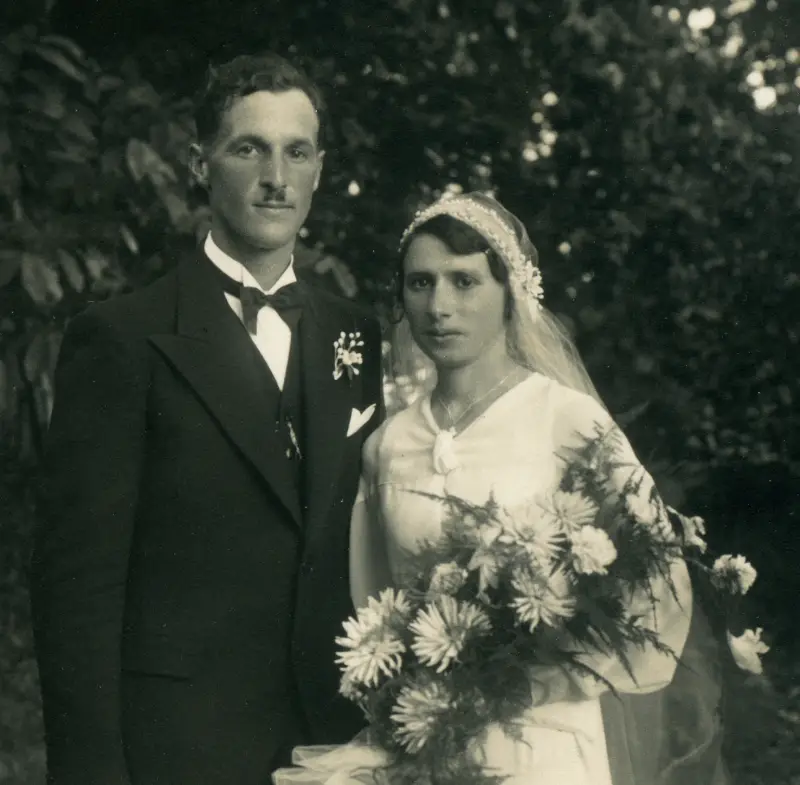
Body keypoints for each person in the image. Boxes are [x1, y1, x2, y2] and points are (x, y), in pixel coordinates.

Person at [278, 191, 729, 784]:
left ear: (509, 293)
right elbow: (375, 607)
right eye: (420, 283)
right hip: (431, 739)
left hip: (544, 740)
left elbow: (657, 575)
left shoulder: (566, 418)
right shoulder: (387, 444)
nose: (440, 306)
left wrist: (548, 675)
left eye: (464, 282)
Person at [30, 53, 383, 785]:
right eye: (249, 149)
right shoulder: (122, 337)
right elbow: (76, 590)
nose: (276, 178)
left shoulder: (355, 334)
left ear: (320, 170)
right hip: (179, 747)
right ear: (200, 164)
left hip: (333, 743)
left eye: (297, 152)